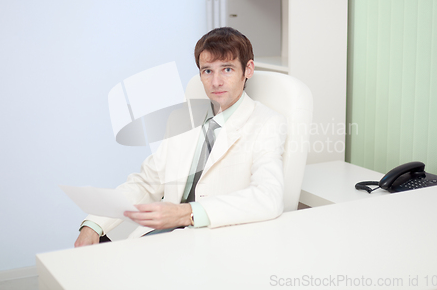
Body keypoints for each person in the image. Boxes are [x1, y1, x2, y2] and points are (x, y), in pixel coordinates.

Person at [75, 27, 287, 247]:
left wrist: (187, 213)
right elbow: (147, 183)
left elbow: (268, 197)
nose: (216, 82)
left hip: (217, 240)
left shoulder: (267, 123)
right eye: (207, 71)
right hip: (165, 237)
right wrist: (94, 224)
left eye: (227, 69)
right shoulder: (182, 120)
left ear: (248, 69)